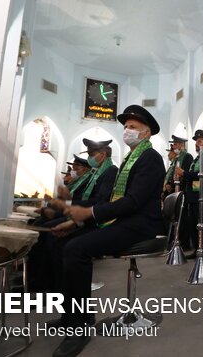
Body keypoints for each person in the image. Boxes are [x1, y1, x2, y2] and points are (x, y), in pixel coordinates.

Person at [50, 105, 166, 357]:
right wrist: (77, 221)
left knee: (76, 249)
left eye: (133, 127)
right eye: (125, 126)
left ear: (146, 134)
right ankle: (74, 315)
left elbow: (133, 202)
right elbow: (114, 199)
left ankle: (79, 328)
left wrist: (89, 214)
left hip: (141, 225)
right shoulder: (131, 158)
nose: (127, 131)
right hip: (124, 220)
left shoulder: (151, 159)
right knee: (63, 241)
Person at [28, 139, 118, 292]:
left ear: (103, 155)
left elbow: (100, 201)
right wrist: (66, 200)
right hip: (84, 215)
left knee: (53, 234)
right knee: (43, 227)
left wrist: (67, 204)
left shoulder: (110, 171)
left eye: (92, 154)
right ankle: (39, 283)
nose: (90, 157)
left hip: (95, 219)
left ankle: (50, 287)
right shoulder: (98, 172)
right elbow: (84, 199)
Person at [175, 130, 203, 260]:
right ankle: (197, 249)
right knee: (193, 225)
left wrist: (184, 174)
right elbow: (191, 176)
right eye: (196, 142)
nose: (196, 144)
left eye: (199, 141)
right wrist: (181, 177)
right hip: (192, 196)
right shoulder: (196, 159)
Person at [168, 135, 194, 250]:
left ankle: (184, 243)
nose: (174, 146)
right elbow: (173, 173)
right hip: (175, 190)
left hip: (183, 190)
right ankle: (175, 240)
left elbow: (185, 173)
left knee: (183, 218)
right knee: (176, 217)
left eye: (177, 144)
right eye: (174, 144)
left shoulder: (187, 157)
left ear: (182, 145)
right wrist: (170, 184)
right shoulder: (177, 158)